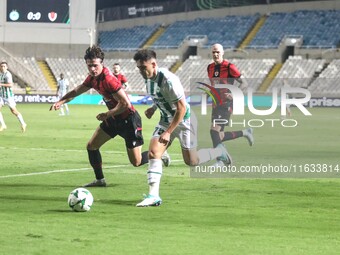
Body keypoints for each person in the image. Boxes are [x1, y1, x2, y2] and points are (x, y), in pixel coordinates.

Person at [50, 45, 170, 187]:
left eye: (95, 65)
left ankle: (160, 154)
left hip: (129, 120)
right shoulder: (92, 79)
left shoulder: (109, 79)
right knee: (91, 146)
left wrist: (107, 114)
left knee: (136, 162)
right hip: (113, 119)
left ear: (102, 63)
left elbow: (125, 103)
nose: (92, 69)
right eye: (89, 66)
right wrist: (61, 101)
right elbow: (77, 91)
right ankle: (100, 180)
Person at [133, 49, 232, 207]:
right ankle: (153, 195)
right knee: (153, 152)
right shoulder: (148, 78)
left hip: (185, 122)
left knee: (192, 161)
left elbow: (182, 108)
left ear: (153, 64)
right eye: (139, 68)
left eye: (143, 67)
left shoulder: (169, 80)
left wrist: (168, 132)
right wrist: (153, 107)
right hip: (166, 120)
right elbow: (161, 96)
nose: (141, 71)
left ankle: (220, 151)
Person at [207, 43, 254, 166]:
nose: (216, 54)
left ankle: (221, 160)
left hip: (226, 104)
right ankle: (245, 132)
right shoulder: (210, 67)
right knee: (219, 135)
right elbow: (213, 85)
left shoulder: (229, 67)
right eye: (213, 52)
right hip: (216, 105)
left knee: (213, 131)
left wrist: (234, 94)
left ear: (222, 53)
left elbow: (244, 83)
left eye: (218, 52)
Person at [0, 61, 27, 132]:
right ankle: (3, 125)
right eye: (1, 66)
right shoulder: (0, 74)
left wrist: (1, 85)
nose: (2, 68)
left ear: (7, 67)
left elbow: (10, 85)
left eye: (4, 66)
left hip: (8, 96)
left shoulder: (8, 74)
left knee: (14, 111)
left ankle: (23, 123)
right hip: (1, 95)